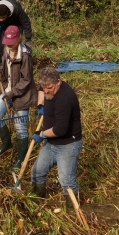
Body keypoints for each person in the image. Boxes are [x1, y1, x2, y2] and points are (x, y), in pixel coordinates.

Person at [30, 67, 83, 210]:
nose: (46, 90)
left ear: (58, 82)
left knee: (66, 181)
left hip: (68, 144)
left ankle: (73, 213)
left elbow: (60, 130)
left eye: (49, 88)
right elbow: (41, 90)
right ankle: (37, 205)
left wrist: (41, 134)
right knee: (37, 173)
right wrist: (41, 104)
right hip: (51, 142)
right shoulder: (47, 88)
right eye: (44, 87)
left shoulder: (65, 98)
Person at [0, 26, 38, 170]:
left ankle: (20, 159)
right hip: (7, 90)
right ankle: (7, 143)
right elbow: (4, 68)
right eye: (7, 42)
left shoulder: (25, 56)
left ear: (18, 39)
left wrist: (11, 94)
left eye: (11, 42)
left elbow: (26, 80)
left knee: (20, 127)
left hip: (22, 94)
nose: (9, 44)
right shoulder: (5, 49)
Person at [0, 0, 33, 65]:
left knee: (14, 45)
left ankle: (17, 64)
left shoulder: (16, 9)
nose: (0, 20)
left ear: (7, 14)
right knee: (1, 46)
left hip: (17, 24)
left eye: (3, 17)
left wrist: (28, 39)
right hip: (4, 26)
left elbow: (26, 23)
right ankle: (2, 66)